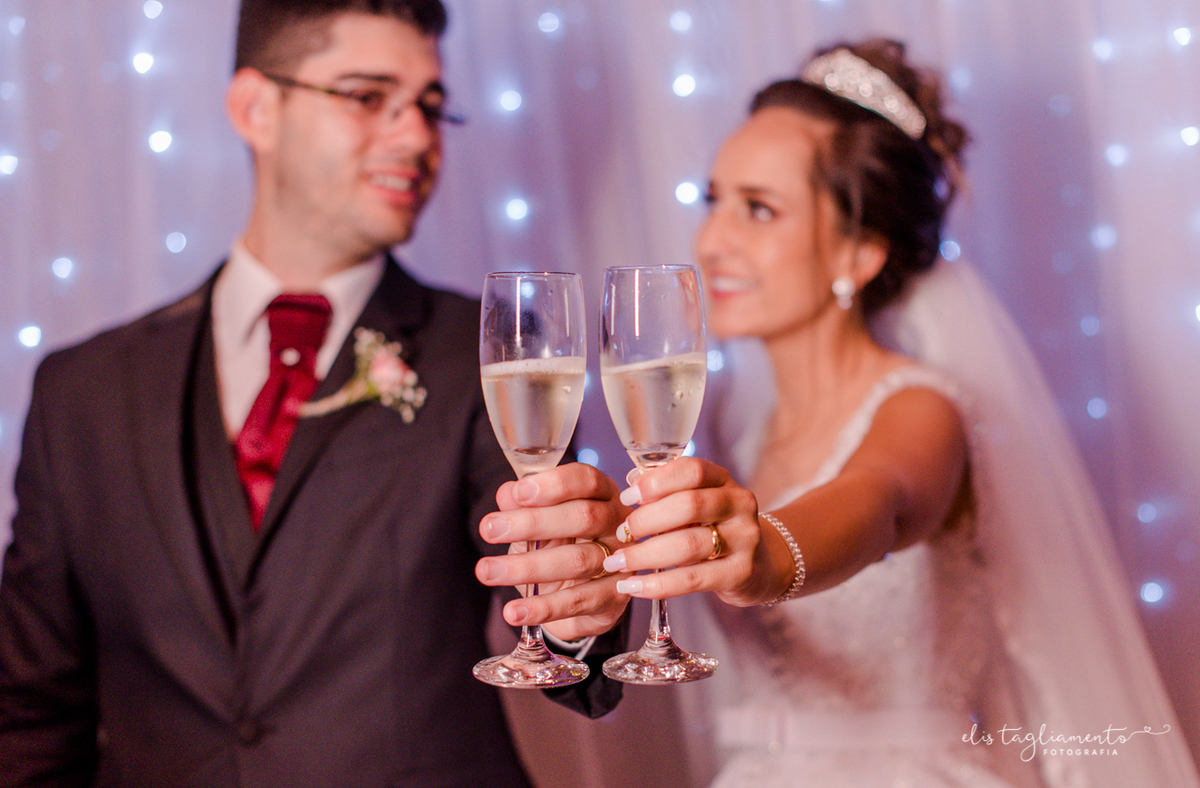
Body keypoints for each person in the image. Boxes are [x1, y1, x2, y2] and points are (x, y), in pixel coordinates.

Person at [0, 2, 631, 786]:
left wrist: (582, 616)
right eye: (369, 97)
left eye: (431, 108)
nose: (415, 138)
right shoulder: (80, 393)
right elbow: (30, 716)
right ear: (255, 108)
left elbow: (562, 618)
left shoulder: (495, 356)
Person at [596, 39, 1200, 787]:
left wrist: (769, 557)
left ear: (860, 255)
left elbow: (877, 503)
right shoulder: (724, 422)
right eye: (712, 200)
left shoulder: (923, 409)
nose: (712, 240)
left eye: (759, 209)